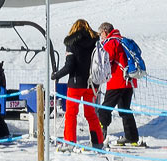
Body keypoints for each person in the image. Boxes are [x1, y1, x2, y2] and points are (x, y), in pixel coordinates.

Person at [50, 19, 105, 149]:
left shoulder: (72, 43)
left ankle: (70, 142)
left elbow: (69, 66)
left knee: (71, 114)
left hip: (75, 84)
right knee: (91, 114)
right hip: (92, 84)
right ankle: (98, 141)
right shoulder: (96, 42)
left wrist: (56, 75)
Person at [94, 22, 140, 146]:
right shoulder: (123, 40)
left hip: (117, 82)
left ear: (104, 31)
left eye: (100, 34)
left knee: (105, 109)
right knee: (125, 109)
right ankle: (132, 138)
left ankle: (100, 135)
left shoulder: (111, 42)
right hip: (129, 81)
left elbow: (105, 59)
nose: (100, 37)